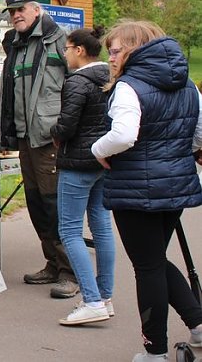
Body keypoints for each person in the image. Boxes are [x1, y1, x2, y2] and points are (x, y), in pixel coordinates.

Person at [91, 20, 202, 361]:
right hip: (176, 184)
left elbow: (124, 135)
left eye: (115, 50)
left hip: (136, 189)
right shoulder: (188, 84)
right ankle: (198, 324)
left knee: (147, 267)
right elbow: (199, 134)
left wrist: (99, 150)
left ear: (135, 49)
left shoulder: (129, 86)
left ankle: (155, 351)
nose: (110, 57)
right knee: (153, 260)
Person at [0, 0, 78, 298]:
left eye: (21, 10)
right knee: (36, 204)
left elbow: (78, 87)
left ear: (36, 10)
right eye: (12, 11)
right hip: (25, 139)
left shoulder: (60, 41)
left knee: (55, 205)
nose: (16, 15)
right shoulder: (15, 45)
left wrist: (63, 128)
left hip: (49, 139)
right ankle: (52, 264)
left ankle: (71, 272)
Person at [50, 27, 115, 326]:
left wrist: (54, 134)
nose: (64, 53)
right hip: (104, 162)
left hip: (77, 163)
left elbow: (67, 125)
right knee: (102, 228)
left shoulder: (77, 81)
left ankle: (91, 300)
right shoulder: (112, 77)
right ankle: (105, 296)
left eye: (66, 48)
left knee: (70, 231)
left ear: (79, 50)